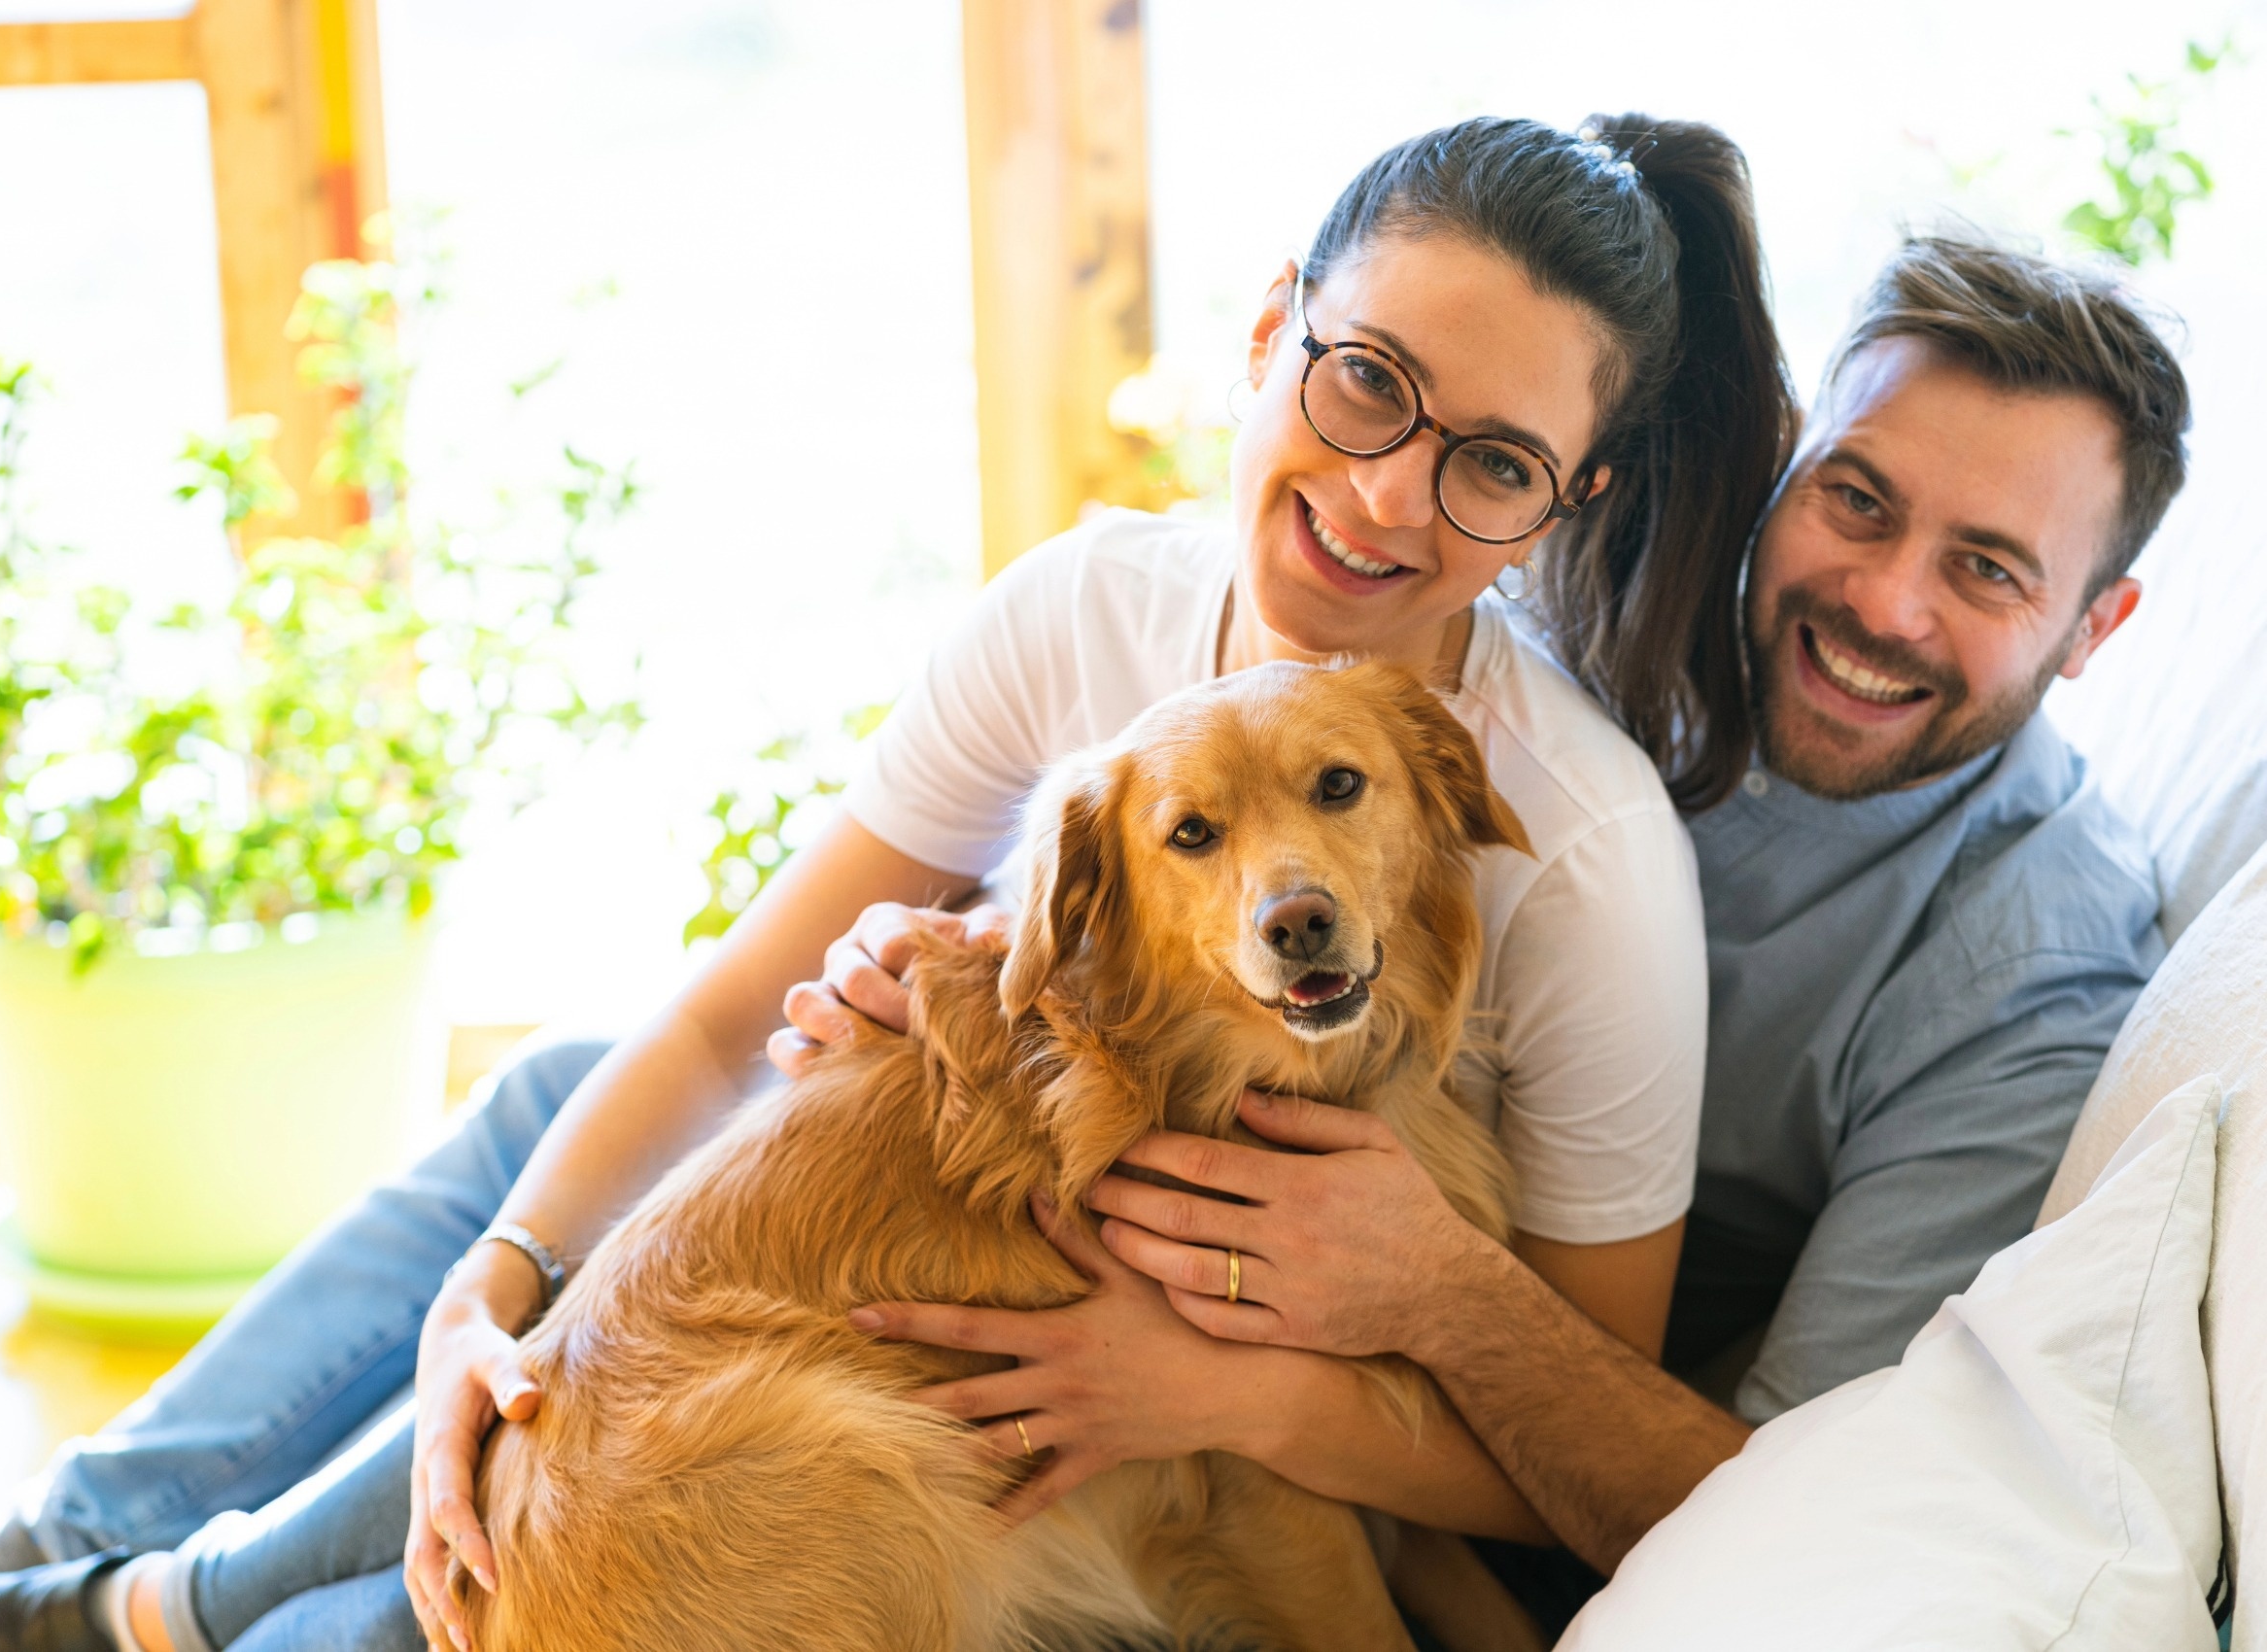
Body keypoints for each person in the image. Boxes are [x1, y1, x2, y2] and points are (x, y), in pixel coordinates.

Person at [0, 112, 1792, 1652]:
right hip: (902, 1293)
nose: (1385, 495)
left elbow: (1573, 1440)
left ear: (1572, 500)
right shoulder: (1084, 614)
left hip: (1108, 1408)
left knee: (452, 1590)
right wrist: (484, 1312)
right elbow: (728, 1014)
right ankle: (83, 1548)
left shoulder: (1584, 853)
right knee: (574, 1096)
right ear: (1270, 323)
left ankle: (140, 1611)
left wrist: (1217, 1390)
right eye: (1363, 382)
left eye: (1488, 464)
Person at [869, 233, 2180, 1636]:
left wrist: (1419, 1299)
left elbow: (1799, 1516)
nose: (1883, 602)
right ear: (1782, 472)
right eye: (1856, 501)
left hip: (1498, 1450)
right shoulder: (1567, 595)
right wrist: (948, 956)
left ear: (2097, 629)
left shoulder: (2025, 974)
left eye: (1989, 570)